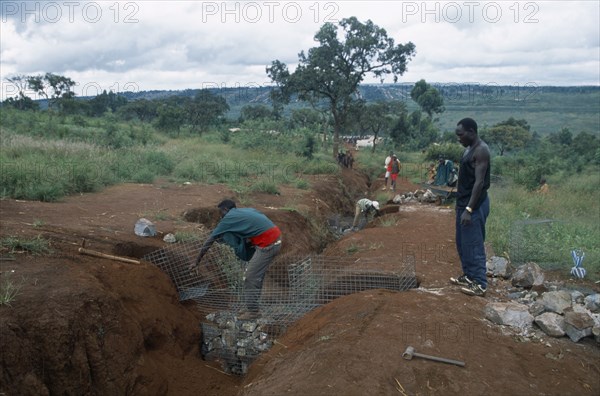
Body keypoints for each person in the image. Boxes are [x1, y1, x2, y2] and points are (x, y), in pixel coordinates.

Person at [189, 199, 282, 319]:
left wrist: (196, 261)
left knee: (250, 277)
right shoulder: (245, 211)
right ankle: (251, 305)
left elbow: (210, 240)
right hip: (272, 238)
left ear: (225, 210)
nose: (221, 216)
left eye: (220, 213)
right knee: (255, 276)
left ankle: (253, 312)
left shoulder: (228, 219)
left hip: (268, 245)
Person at [449, 118, 491, 297]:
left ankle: (480, 283)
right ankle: (469, 276)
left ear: (472, 131)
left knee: (473, 243)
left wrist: (469, 209)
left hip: (475, 205)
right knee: (462, 243)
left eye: (461, 134)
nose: (459, 138)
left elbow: (479, 183)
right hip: (463, 203)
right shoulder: (468, 149)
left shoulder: (481, 150)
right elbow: (467, 177)